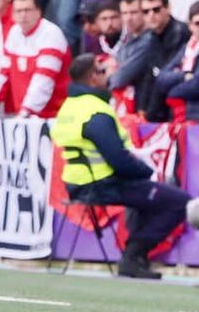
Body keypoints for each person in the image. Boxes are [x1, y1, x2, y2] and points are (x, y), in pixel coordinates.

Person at [53, 53, 194, 279]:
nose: (106, 75)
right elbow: (117, 159)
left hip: (76, 183)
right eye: (101, 70)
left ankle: (134, 258)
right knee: (179, 202)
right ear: (92, 77)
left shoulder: (69, 107)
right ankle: (133, 255)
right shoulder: (95, 111)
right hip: (103, 183)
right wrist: (146, 172)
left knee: (149, 196)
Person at [0, 0, 70, 118]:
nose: (23, 15)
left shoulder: (51, 34)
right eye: (18, 11)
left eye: (27, 10)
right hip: (25, 116)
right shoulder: (14, 32)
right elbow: (3, 73)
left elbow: (44, 79)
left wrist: (27, 111)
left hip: (53, 116)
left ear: (38, 12)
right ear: (13, 14)